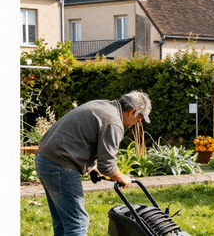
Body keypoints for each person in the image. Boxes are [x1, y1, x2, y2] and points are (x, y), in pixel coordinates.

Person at [36, 90, 152, 236]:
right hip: (60, 165)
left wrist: (92, 167)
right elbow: (108, 165)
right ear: (132, 111)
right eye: (140, 117)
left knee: (63, 222)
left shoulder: (104, 105)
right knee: (77, 223)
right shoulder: (114, 122)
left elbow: (87, 138)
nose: (139, 122)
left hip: (45, 158)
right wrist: (123, 177)